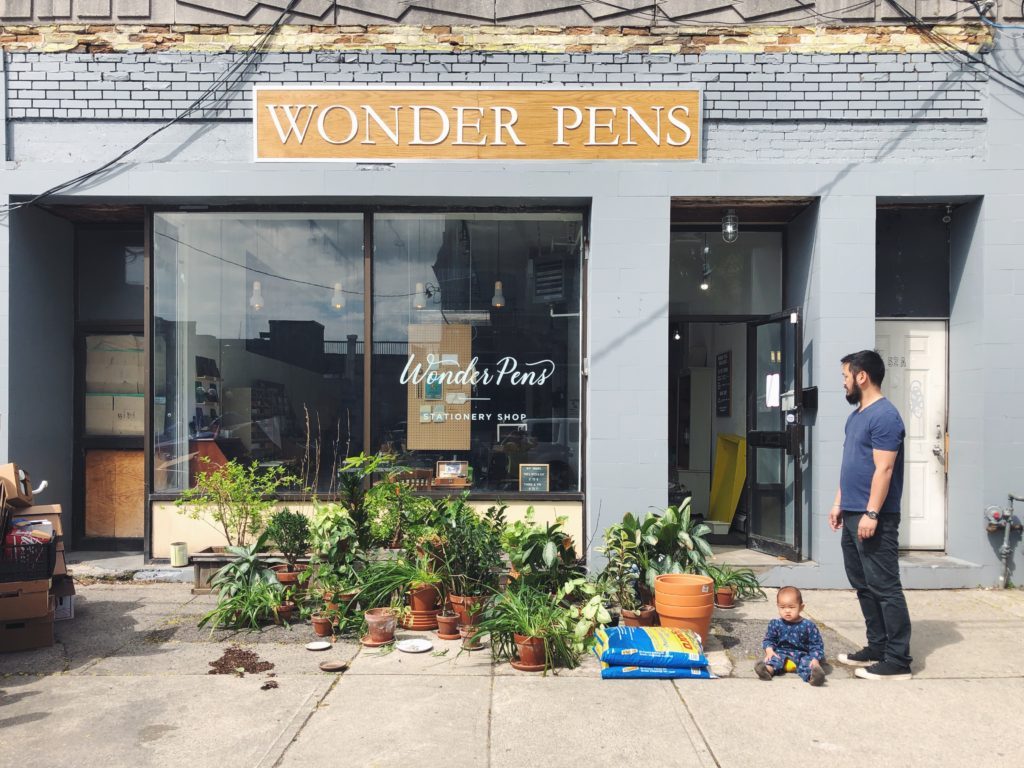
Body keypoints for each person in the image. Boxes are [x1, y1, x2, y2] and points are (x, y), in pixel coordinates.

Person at [830, 350, 913, 681]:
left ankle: (898, 659)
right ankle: (877, 646)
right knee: (862, 583)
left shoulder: (885, 416)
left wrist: (872, 513)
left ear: (861, 376)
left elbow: (885, 468)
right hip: (851, 512)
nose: (844, 383)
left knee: (884, 585)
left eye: (845, 376)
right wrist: (838, 502)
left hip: (873, 516)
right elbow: (850, 464)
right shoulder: (856, 416)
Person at [754, 586, 826, 686]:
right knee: (773, 659)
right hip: (781, 653)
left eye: (791, 607)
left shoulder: (808, 625)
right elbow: (769, 639)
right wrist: (769, 650)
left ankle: (814, 677)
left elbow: (816, 644)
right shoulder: (775, 624)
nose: (787, 611)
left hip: (802, 655)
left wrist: (815, 658)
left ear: (801, 607)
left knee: (808, 663)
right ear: (778, 606)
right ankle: (767, 671)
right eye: (782, 607)